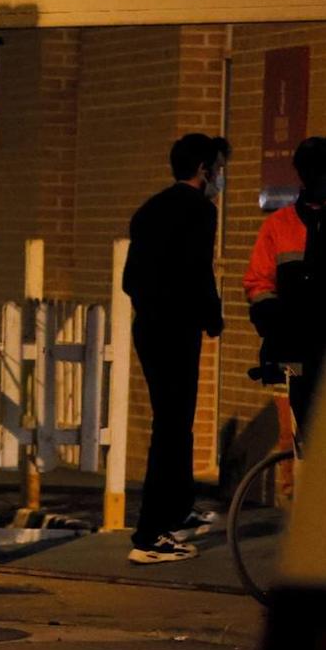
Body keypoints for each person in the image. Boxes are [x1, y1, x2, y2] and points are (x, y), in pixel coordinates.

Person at [121, 133, 229, 564]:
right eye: (218, 169)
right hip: (177, 329)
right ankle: (150, 534)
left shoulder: (150, 210)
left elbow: (131, 278)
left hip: (149, 326)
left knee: (175, 421)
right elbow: (199, 270)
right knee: (171, 426)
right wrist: (212, 316)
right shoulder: (200, 211)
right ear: (204, 170)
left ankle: (177, 508)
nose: (220, 177)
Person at [244, 136, 326, 435]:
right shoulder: (279, 225)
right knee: (300, 438)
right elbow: (258, 285)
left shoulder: (280, 224)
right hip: (296, 351)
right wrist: (277, 326)